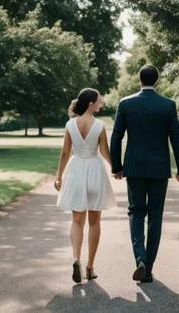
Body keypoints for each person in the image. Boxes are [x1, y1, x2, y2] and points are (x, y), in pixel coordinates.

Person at [110, 65, 179, 284]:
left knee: (135, 212)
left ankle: (140, 259)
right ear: (157, 80)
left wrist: (117, 167)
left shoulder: (126, 103)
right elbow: (176, 140)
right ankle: (149, 268)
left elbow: (116, 138)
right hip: (159, 168)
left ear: (139, 80)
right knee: (155, 215)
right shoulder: (168, 105)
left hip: (134, 167)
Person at [55, 88, 116, 284]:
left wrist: (59, 176)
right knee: (94, 222)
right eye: (99, 100)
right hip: (95, 170)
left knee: (77, 221)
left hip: (76, 171)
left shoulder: (70, 124)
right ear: (91, 103)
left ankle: (76, 259)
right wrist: (117, 168)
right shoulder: (99, 125)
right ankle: (89, 267)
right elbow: (105, 152)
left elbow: (65, 153)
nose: (102, 102)